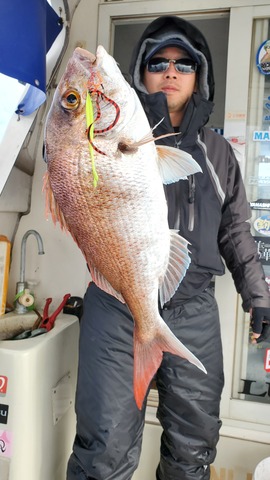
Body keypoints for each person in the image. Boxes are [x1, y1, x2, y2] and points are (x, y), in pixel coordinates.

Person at [67, 15, 270, 480]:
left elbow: (236, 228)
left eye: (184, 63)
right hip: (116, 302)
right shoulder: (105, 131)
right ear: (140, 74)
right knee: (104, 445)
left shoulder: (218, 152)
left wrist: (257, 294)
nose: (170, 71)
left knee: (193, 444)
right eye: (158, 61)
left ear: (200, 75)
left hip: (194, 307)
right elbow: (69, 170)